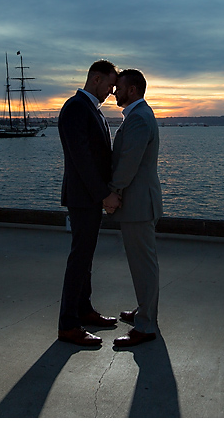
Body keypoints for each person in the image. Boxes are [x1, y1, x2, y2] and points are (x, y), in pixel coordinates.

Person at [56, 60, 121, 346]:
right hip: (83, 198)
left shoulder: (90, 110)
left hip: (87, 198)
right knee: (79, 258)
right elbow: (81, 159)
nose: (111, 90)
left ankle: (84, 310)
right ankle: (68, 324)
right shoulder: (75, 108)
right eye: (109, 84)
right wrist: (103, 194)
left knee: (85, 257)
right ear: (95, 79)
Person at [106, 68, 163, 347]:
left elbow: (129, 161)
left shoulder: (139, 118)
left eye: (118, 88)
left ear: (132, 90)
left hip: (139, 204)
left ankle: (146, 325)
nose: (114, 92)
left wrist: (113, 192)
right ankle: (145, 312)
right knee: (143, 263)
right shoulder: (139, 116)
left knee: (143, 265)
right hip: (141, 203)